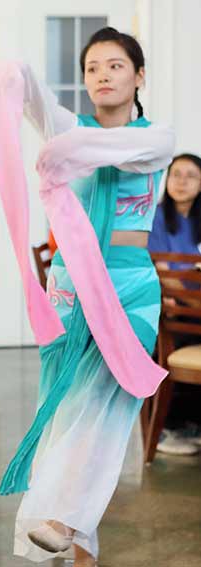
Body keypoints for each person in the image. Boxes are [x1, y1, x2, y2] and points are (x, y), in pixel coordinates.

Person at [0, 27, 175, 566]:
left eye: (115, 66)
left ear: (139, 76)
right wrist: (14, 77)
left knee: (106, 405)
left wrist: (61, 149)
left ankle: (64, 518)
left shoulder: (156, 137)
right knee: (69, 412)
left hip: (131, 286)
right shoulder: (69, 125)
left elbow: (95, 150)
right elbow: (35, 99)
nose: (102, 76)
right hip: (71, 287)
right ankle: (79, 550)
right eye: (92, 68)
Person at [148, 153, 201, 455]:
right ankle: (172, 426)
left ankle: (195, 421)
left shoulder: (197, 221)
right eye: (176, 174)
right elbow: (160, 271)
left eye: (190, 175)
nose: (181, 181)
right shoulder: (154, 219)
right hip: (172, 310)